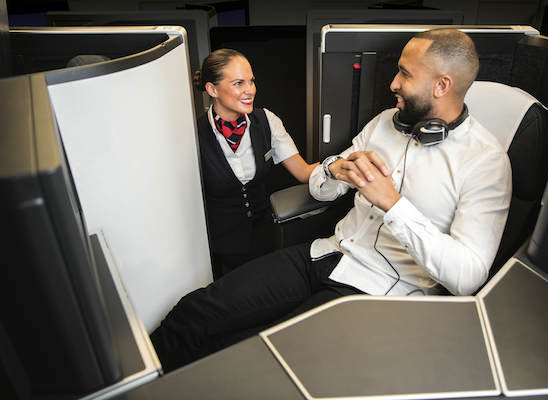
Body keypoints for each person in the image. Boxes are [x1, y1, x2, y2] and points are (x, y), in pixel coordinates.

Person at [151, 29, 511, 372]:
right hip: (324, 254)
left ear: (441, 85)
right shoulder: (385, 123)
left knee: (244, 356)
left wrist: (393, 204)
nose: (393, 84)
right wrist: (335, 170)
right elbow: (319, 189)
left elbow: (467, 278)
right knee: (194, 314)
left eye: (404, 73)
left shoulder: (485, 162)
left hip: (377, 289)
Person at [194, 49, 317, 277]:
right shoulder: (193, 135)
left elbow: (304, 172)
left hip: (266, 239)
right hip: (218, 249)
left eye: (251, 81)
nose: (250, 90)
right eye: (238, 83)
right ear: (212, 89)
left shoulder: (267, 121)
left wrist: (339, 166)